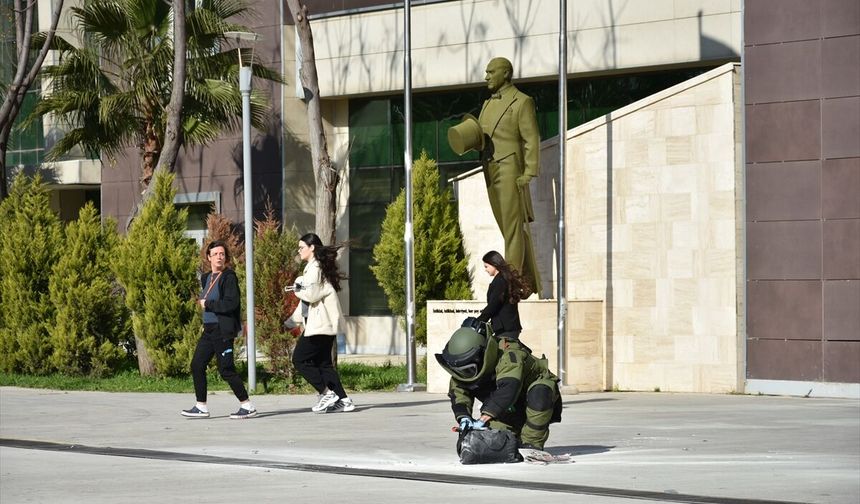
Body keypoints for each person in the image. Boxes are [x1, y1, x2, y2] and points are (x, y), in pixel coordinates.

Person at [435, 251, 560, 450]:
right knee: (496, 440)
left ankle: (531, 443)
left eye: (486, 266)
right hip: (509, 402)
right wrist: (464, 418)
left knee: (540, 393)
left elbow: (509, 387)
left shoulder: (509, 356)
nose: (485, 270)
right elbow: (459, 390)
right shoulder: (466, 365)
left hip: (530, 389)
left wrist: (484, 417)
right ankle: (513, 432)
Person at [476, 56, 542, 296]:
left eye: (491, 72)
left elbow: (531, 138)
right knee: (507, 227)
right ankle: (528, 281)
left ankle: (509, 284)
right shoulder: (486, 104)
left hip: (511, 169)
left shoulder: (522, 101)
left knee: (513, 229)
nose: (486, 76)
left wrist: (529, 172)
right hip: (490, 168)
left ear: (505, 73)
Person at [181, 240, 257, 419]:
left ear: (226, 257)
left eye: (222, 254)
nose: (219, 257)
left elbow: (231, 303)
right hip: (208, 331)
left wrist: (208, 304)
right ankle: (201, 406)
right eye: (215, 254)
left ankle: (247, 406)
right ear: (209, 257)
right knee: (197, 364)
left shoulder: (229, 277)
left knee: (226, 369)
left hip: (222, 330)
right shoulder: (206, 277)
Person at [290, 233, 355, 413]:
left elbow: (311, 295)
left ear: (312, 248)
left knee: (299, 359)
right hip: (323, 323)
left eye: (302, 247)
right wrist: (291, 321)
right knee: (324, 364)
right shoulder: (316, 267)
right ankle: (344, 400)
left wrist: (297, 288)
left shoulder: (314, 268)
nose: (299, 250)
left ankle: (326, 393)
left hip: (319, 325)